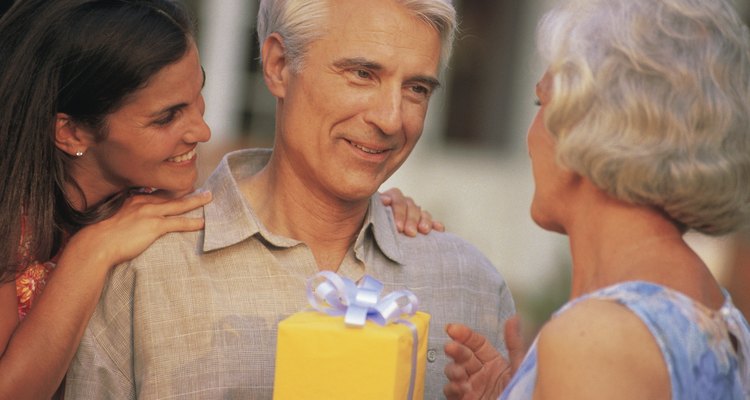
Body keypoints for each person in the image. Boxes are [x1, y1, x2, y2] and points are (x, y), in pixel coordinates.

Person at [64, 0, 516, 398]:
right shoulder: (139, 271)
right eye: (362, 74)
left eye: (416, 88)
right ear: (279, 64)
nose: (391, 119)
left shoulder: (472, 286)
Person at [442, 0, 750, 399]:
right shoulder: (720, 313)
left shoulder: (598, 340)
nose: (531, 136)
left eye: (542, 104)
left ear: (583, 125)